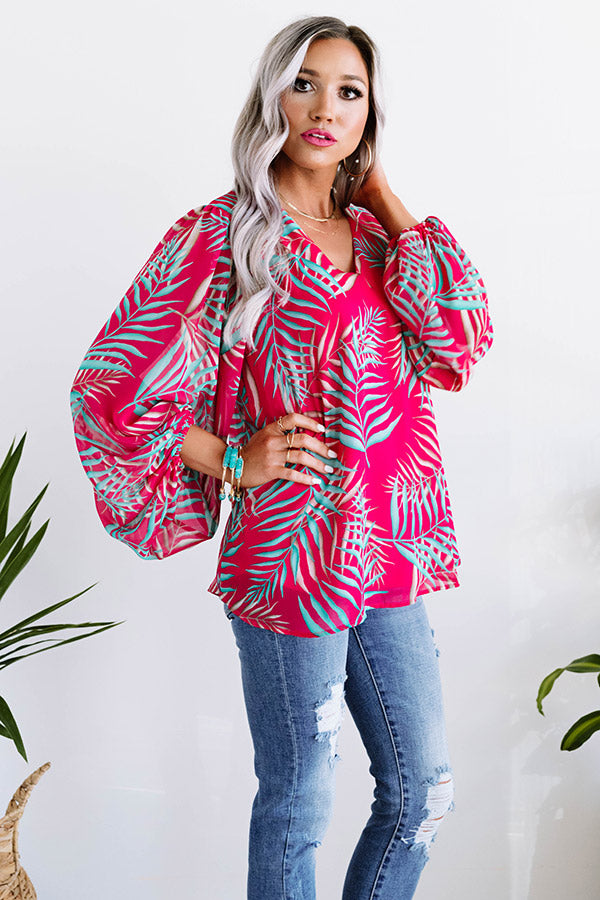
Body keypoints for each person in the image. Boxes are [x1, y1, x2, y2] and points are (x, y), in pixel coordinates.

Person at [70, 15, 493, 900]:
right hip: (291, 557)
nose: (325, 108)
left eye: (350, 91)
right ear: (274, 97)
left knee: (424, 792)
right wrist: (232, 458)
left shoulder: (383, 244)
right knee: (300, 802)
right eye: (306, 84)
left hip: (390, 551)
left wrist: (385, 195)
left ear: (370, 113)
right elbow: (109, 391)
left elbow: (461, 340)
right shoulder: (224, 234)